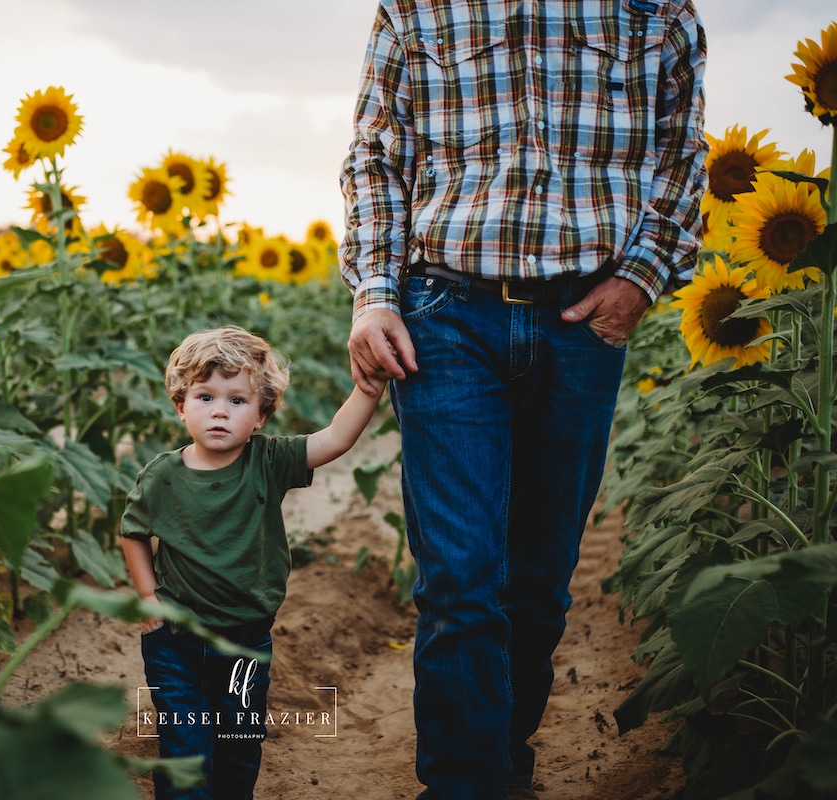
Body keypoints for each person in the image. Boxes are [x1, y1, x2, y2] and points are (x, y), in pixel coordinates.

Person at [339, 1, 707, 798]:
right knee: (461, 578)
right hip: (446, 315)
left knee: (537, 583)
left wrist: (642, 277)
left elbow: (682, 153)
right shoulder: (415, 8)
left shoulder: (658, 9)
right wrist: (375, 293)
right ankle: (466, 785)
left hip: (584, 322)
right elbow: (375, 157)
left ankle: (501, 761)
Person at [121, 325, 385, 800]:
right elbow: (134, 533)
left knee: (239, 747)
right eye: (205, 396)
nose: (219, 410)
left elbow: (336, 439)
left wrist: (370, 386)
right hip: (176, 641)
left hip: (246, 639)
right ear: (181, 407)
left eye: (237, 401)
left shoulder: (268, 461)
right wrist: (147, 601)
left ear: (262, 414)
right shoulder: (162, 476)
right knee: (185, 750)